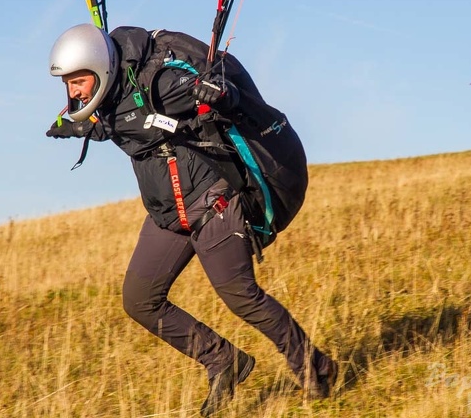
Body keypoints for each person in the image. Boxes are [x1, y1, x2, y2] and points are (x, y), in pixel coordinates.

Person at [45, 23, 337, 416]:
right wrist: (75, 124)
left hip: (212, 203)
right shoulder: (111, 94)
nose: (74, 91)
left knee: (240, 296)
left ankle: (314, 366)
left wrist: (220, 94)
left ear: (100, 68)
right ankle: (223, 362)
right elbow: (123, 122)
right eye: (69, 84)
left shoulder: (165, 83)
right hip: (168, 215)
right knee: (139, 300)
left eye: (78, 81)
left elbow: (221, 102)